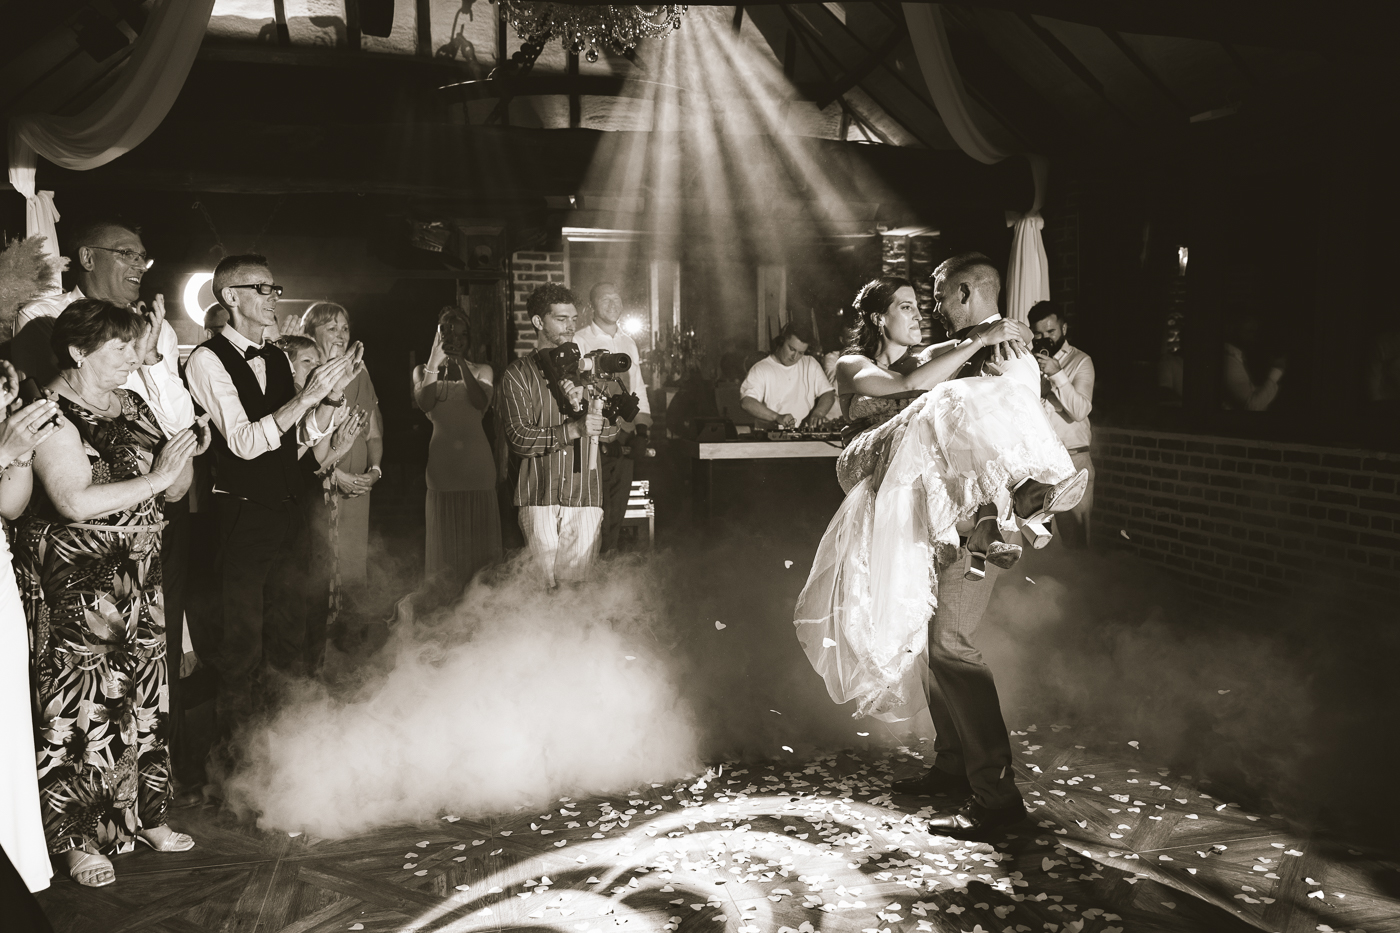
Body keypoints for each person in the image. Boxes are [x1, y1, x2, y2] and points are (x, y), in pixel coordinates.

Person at [795, 258, 1087, 838]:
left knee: (949, 645)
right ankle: (954, 767)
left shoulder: (979, 356)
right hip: (913, 516)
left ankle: (996, 800)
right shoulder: (883, 360)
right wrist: (982, 334)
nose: (923, 312)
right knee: (931, 646)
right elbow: (916, 388)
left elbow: (996, 410)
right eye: (907, 305)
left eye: (927, 300)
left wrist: (997, 336)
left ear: (962, 293)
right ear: (878, 318)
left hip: (962, 521)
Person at [9, 220, 207, 806]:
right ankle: (78, 835)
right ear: (77, 352)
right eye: (121, 350)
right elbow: (73, 501)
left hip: (140, 581)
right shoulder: (49, 411)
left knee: (143, 700)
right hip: (80, 591)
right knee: (81, 712)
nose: (133, 360)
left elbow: (175, 485)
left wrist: (174, 469)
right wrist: (159, 476)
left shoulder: (136, 400)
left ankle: (146, 812)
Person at [183, 254, 359, 769]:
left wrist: (326, 400)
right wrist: (306, 401)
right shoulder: (206, 360)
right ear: (230, 297)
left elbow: (294, 441)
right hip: (239, 518)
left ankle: (286, 764)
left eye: (275, 288)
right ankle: (234, 771)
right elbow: (242, 442)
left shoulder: (280, 360)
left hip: (287, 513)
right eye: (261, 288)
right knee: (241, 649)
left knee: (289, 640)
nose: (272, 297)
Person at [499, 284, 616, 588]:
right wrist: (574, 430)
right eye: (561, 319)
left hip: (585, 495)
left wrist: (597, 416)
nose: (570, 326)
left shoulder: (589, 369)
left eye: (574, 318)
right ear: (539, 322)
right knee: (542, 590)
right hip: (539, 496)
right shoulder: (517, 374)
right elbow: (519, 438)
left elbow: (612, 431)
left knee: (577, 591)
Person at [275, 334, 370, 670]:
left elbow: (316, 463)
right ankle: (290, 683)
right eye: (307, 363)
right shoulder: (282, 406)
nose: (317, 370)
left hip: (312, 506)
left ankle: (311, 681)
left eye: (319, 362)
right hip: (285, 512)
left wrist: (339, 449)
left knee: (317, 593)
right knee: (291, 604)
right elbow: (294, 463)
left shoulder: (319, 407)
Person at [413, 307, 501, 596]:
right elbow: (425, 405)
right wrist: (433, 364)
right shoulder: (423, 371)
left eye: (463, 335)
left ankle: (480, 615)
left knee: (479, 552)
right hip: (442, 468)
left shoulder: (482, 370)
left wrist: (462, 364)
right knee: (445, 550)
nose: (457, 339)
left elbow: (479, 403)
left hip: (476, 466)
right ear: (439, 335)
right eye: (450, 333)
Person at [301, 303, 382, 586]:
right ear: (311, 333)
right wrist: (337, 477)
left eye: (345, 328)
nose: (341, 335)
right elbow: (301, 445)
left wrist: (374, 472)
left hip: (358, 490)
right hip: (321, 488)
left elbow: (374, 434)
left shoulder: (360, 373)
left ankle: (351, 627)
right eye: (332, 328)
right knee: (323, 566)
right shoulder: (306, 373)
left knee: (354, 566)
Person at [574, 282, 652, 553]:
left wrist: (641, 431)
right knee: (595, 512)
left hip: (624, 439)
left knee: (617, 514)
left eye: (616, 298)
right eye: (605, 299)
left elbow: (638, 388)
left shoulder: (628, 342)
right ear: (592, 306)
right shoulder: (580, 339)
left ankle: (609, 575)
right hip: (593, 440)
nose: (612, 304)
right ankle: (589, 575)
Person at [1029, 300, 1096, 548]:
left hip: (1073, 460)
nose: (1044, 338)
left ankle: (1080, 586)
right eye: (1038, 334)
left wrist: (1057, 375)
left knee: (1075, 539)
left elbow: (1080, 410)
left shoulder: (1081, 361)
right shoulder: (1027, 361)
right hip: (1037, 462)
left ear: (1064, 329)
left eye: (1051, 332)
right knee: (1039, 541)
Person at [740, 321, 836, 429]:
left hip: (804, 437)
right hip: (773, 439)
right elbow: (747, 402)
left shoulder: (810, 363)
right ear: (781, 341)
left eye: (800, 353)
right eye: (792, 349)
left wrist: (819, 413)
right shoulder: (761, 369)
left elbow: (828, 393)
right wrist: (777, 417)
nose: (794, 357)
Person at [1222, 312, 1285, 410]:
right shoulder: (1228, 362)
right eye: (1249, 331)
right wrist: (1277, 371)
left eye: (1256, 331)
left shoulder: (1237, 356)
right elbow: (1252, 406)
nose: (1255, 337)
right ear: (1231, 329)